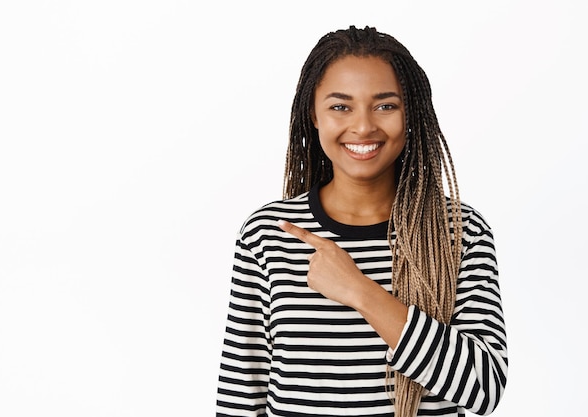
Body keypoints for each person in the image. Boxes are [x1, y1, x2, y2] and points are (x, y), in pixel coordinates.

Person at [216, 26, 507, 417]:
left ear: (410, 114)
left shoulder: (459, 233)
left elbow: (483, 388)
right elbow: (241, 394)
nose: (364, 126)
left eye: (385, 105)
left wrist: (359, 290)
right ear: (313, 115)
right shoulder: (268, 234)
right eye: (340, 106)